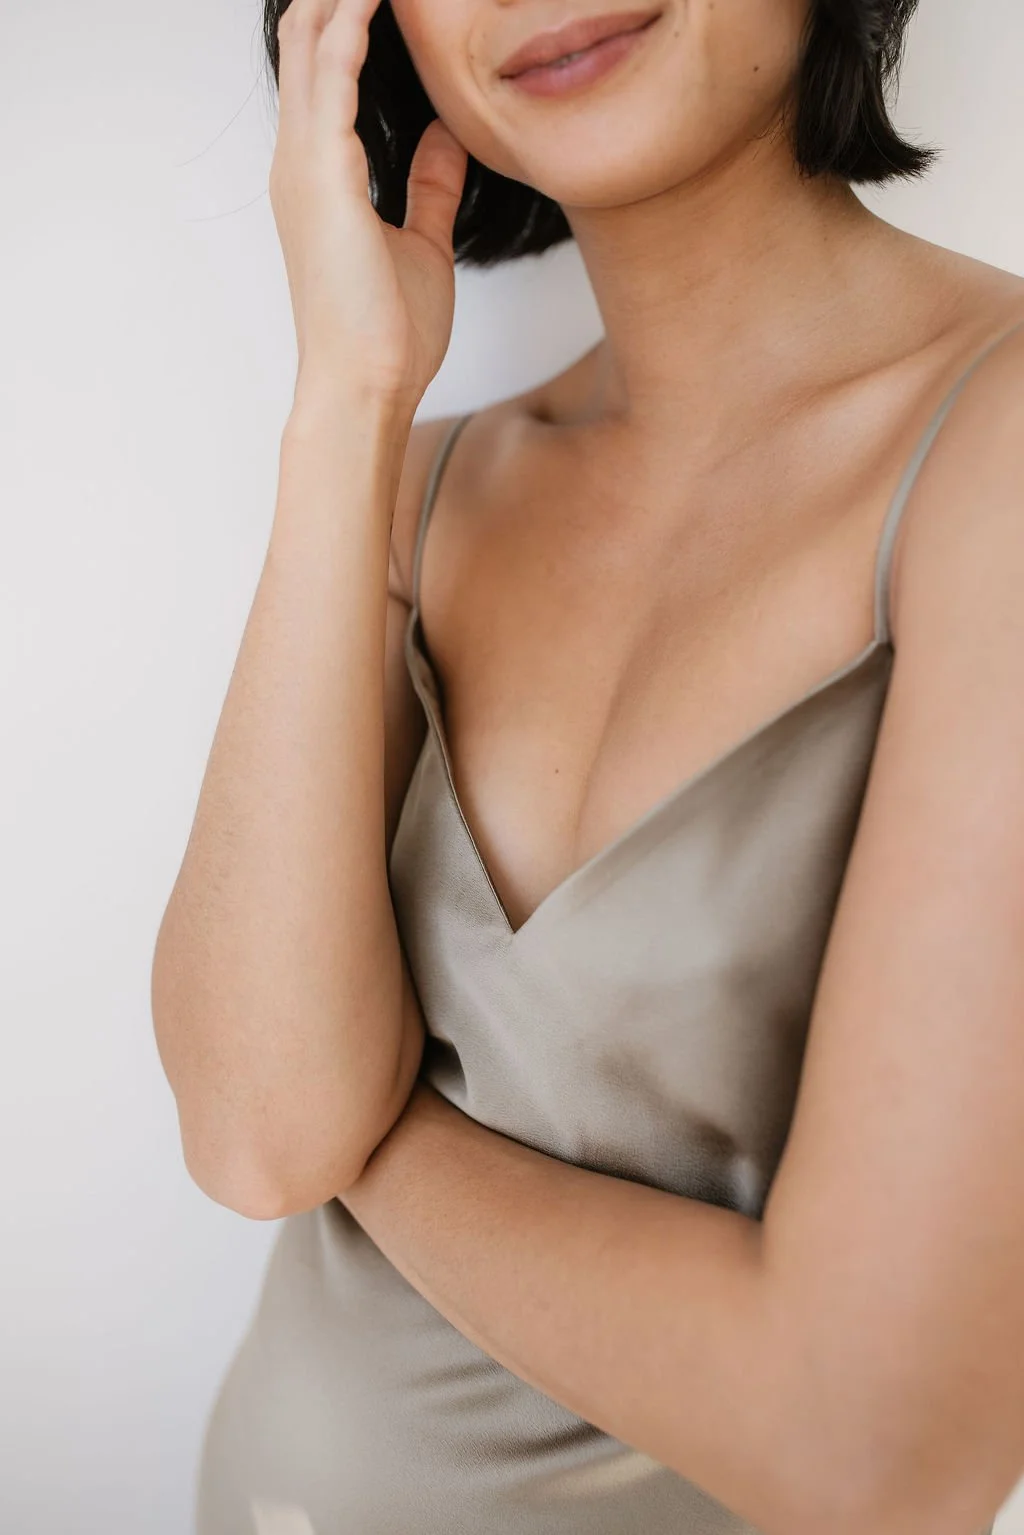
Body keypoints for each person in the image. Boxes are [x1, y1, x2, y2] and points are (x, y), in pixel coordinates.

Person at [150, 0, 1024, 1530]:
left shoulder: (994, 449)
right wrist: (348, 402)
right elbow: (253, 1132)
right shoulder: (422, 481)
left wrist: (373, 1130)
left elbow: (872, 1446)